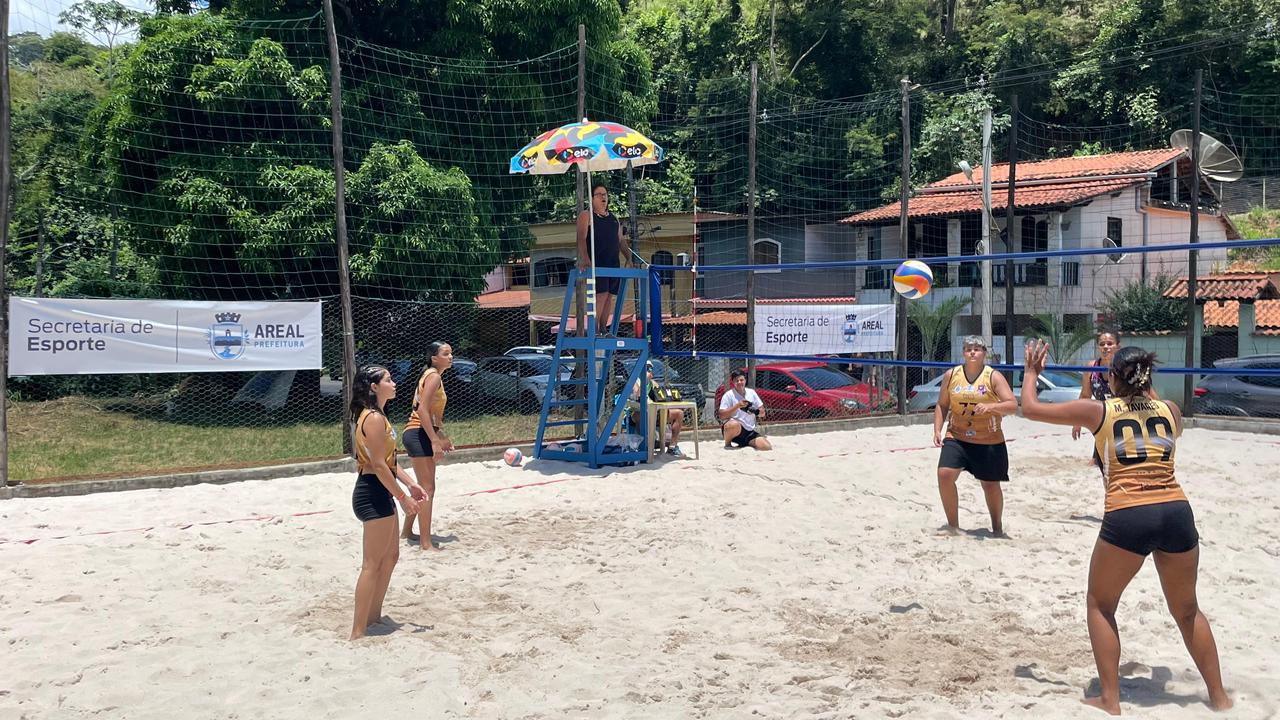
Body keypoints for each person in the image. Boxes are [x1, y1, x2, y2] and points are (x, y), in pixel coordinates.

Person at [1020, 339, 1231, 715]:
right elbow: (1149, 407)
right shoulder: (1171, 410)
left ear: (1112, 378)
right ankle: (1219, 697)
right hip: (1176, 510)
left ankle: (1110, 700)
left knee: (1100, 605)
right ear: (1148, 378)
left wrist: (1033, 373)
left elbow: (1031, 408)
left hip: (1129, 513)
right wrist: (1141, 384)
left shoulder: (1099, 411)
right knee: (1187, 612)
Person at [350, 365, 422, 640]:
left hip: (382, 489)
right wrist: (403, 498)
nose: (394, 383)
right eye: (388, 380)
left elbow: (389, 464)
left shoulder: (378, 416)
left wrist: (410, 483)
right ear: (373, 387)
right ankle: (358, 631)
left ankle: (373, 618)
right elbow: (379, 467)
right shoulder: (373, 419)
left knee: (390, 557)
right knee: (371, 563)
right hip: (372, 491)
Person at [932, 335, 1018, 535]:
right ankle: (953, 526)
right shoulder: (951, 375)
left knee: (990, 485)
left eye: (977, 349)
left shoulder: (993, 376)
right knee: (944, 474)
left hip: (987, 438)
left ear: (984, 354)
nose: (972, 352)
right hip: (957, 435)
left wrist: (990, 407)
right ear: (963, 352)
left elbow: (1012, 406)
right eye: (968, 348)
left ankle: (997, 527)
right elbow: (942, 404)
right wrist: (937, 429)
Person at [401, 342, 456, 551]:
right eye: (446, 353)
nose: (450, 356)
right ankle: (425, 543)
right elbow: (422, 411)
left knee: (422, 488)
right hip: (418, 433)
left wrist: (441, 436)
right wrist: (434, 441)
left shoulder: (431, 375)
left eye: (451, 353)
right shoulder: (434, 376)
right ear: (434, 358)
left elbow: (429, 414)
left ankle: (407, 531)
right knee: (428, 489)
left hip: (418, 432)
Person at [1073, 329, 1158, 439]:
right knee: (1099, 454)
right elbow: (1085, 396)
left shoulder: (1127, 367)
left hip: (1128, 418)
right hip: (1105, 420)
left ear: (1118, 347)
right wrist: (1077, 421)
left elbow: (1151, 395)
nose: (1105, 347)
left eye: (1110, 343)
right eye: (1102, 344)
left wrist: (1161, 416)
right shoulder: (1091, 368)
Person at [576, 183, 629, 333]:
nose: (603, 197)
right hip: (596, 264)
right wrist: (586, 259)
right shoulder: (586, 216)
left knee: (609, 297)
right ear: (592, 198)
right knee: (601, 295)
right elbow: (581, 239)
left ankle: (603, 329)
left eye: (605, 194)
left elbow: (621, 241)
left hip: (613, 264)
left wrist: (629, 258)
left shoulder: (614, 218)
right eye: (599, 194)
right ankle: (593, 330)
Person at [630, 361, 686, 457]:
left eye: (650, 368)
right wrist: (644, 381)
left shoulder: (653, 383)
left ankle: (672, 446)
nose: (649, 371)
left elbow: (660, 396)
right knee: (641, 415)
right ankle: (644, 445)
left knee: (679, 413)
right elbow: (638, 396)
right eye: (647, 368)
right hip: (637, 412)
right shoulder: (634, 382)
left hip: (654, 412)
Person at [718, 369, 772, 450]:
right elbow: (721, 415)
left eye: (741, 380)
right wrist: (737, 406)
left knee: (766, 447)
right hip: (734, 430)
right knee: (733, 424)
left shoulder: (751, 392)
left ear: (745, 380)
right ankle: (728, 444)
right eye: (737, 381)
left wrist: (755, 412)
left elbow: (762, 412)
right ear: (733, 382)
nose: (739, 382)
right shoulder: (728, 395)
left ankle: (745, 443)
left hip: (749, 430)